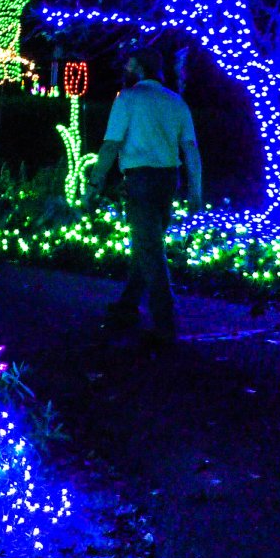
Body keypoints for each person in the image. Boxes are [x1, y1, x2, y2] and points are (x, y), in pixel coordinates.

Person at [83, 47, 203, 347]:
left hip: (140, 179)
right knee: (147, 243)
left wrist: (95, 181)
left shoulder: (128, 98)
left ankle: (166, 324)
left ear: (138, 66)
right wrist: (195, 190)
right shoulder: (176, 102)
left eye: (129, 61)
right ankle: (127, 304)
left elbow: (111, 144)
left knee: (150, 250)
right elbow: (190, 148)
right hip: (168, 180)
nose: (125, 65)